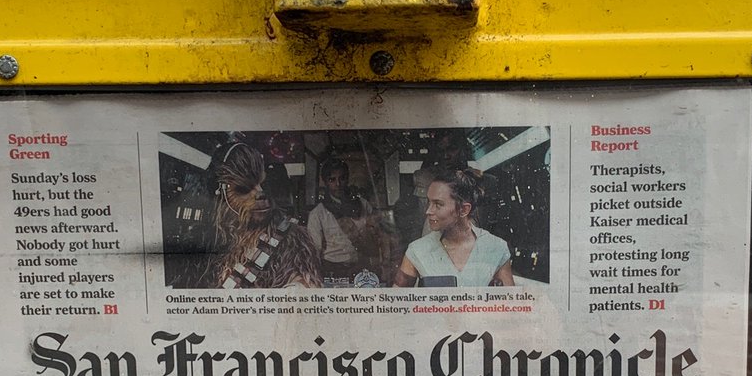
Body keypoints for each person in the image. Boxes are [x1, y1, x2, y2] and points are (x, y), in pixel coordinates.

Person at [166, 141, 321, 289]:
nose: (260, 193)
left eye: (263, 184)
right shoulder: (201, 242)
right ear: (220, 196)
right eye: (244, 188)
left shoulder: (291, 239)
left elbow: (303, 290)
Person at [394, 166, 514, 287]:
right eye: (429, 202)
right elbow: (396, 300)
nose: (428, 211)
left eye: (438, 204)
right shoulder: (417, 250)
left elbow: (511, 303)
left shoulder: (496, 248)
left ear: (463, 209)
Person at [306, 157, 394, 286]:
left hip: (363, 268)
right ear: (325, 182)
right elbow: (314, 252)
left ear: (347, 179)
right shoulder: (318, 214)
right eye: (332, 180)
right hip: (334, 270)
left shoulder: (363, 204)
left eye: (342, 178)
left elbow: (379, 237)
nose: (338, 184)